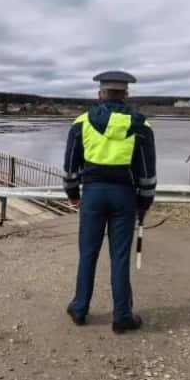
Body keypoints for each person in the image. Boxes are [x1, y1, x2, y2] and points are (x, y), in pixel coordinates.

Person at [63, 70, 156, 333]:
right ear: (126, 94)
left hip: (92, 195)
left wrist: (73, 195)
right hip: (125, 197)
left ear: (100, 93)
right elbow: (147, 173)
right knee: (120, 257)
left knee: (88, 254)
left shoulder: (81, 123)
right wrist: (144, 204)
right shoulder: (142, 126)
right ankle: (122, 316)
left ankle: (80, 309)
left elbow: (70, 167)